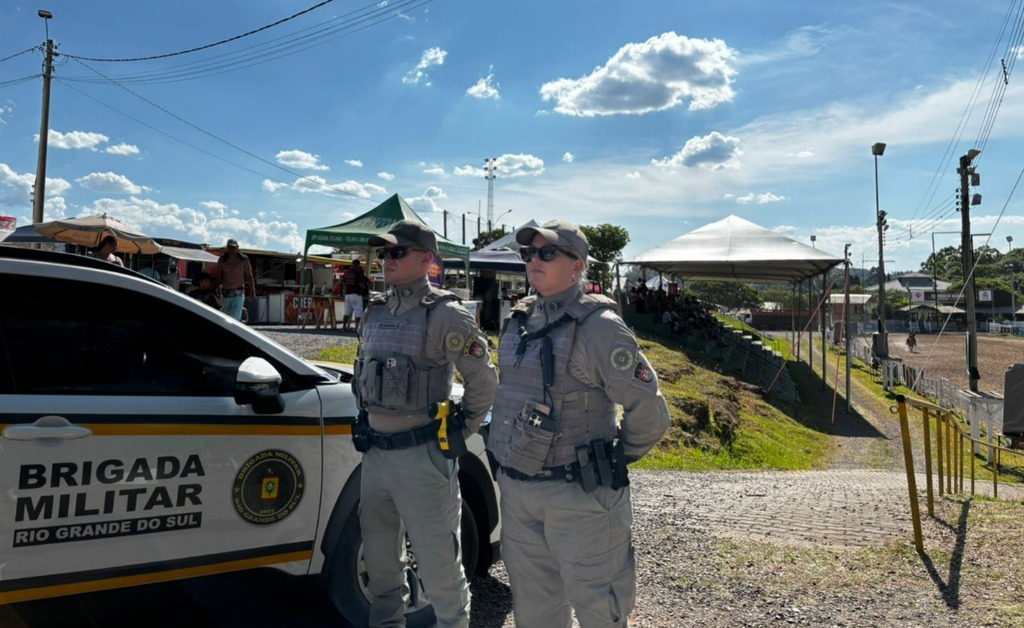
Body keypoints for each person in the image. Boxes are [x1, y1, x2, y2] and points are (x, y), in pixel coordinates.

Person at [486, 219, 671, 627]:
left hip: (581, 497)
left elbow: (650, 412)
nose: (534, 260)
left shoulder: (599, 327)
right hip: (519, 494)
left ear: (577, 265)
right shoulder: (518, 321)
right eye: (529, 253)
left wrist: (610, 460)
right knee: (534, 613)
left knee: (599, 612)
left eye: (547, 252)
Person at [351, 220, 497, 627]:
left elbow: (484, 381)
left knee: (440, 570)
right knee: (380, 565)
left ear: (426, 259)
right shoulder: (377, 311)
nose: (387, 260)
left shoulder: (445, 315)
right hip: (376, 456)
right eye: (384, 253)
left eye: (397, 252)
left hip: (422, 459)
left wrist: (459, 431)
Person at [216, 238, 254, 321]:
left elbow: (249, 276)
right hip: (225, 293)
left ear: (237, 247)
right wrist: (213, 289)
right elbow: (218, 277)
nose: (231, 250)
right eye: (229, 247)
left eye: (233, 247)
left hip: (238, 292)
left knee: (235, 318)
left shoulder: (244, 260)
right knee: (225, 318)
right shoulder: (222, 260)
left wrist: (252, 291)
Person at [341, 258, 369, 331]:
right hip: (356, 295)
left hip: (347, 295)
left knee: (347, 312)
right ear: (358, 265)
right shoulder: (358, 273)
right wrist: (365, 286)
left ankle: (344, 327)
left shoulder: (346, 273)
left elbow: (343, 282)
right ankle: (358, 328)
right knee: (358, 312)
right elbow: (361, 284)